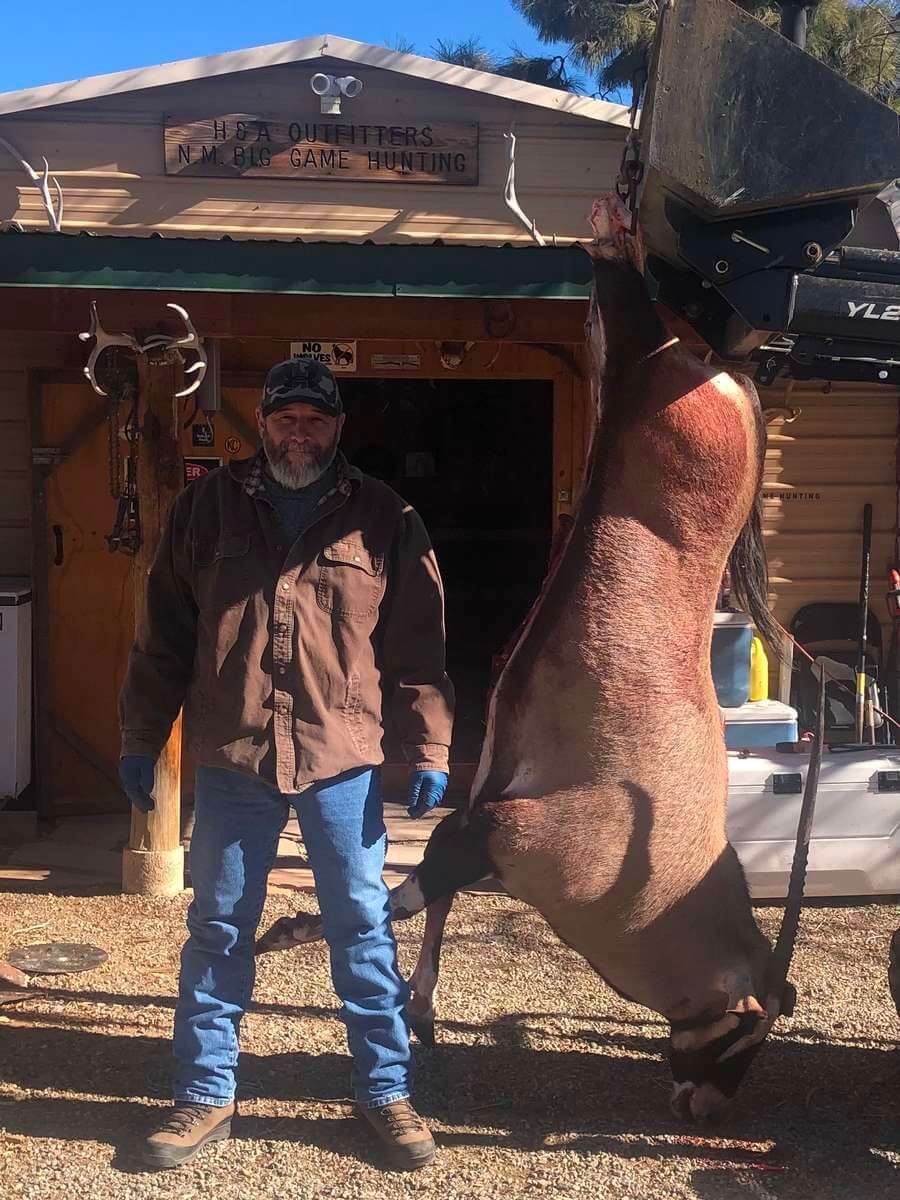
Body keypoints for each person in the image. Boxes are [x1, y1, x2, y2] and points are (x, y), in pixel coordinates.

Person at [119, 357, 454, 1172]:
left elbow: (419, 647)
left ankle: (385, 1092)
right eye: (284, 418)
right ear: (263, 423)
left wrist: (429, 746)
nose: (298, 433)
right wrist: (140, 737)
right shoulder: (205, 508)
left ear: (337, 428)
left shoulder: (385, 515)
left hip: (342, 760)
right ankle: (205, 1095)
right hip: (235, 757)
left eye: (315, 420)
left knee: (362, 927)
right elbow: (162, 637)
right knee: (218, 928)